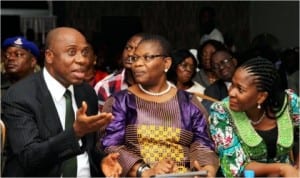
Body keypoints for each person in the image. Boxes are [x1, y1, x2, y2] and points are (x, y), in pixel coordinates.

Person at [1, 27, 122, 177]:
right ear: (50, 56)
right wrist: (76, 132)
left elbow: (87, 147)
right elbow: (29, 157)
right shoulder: (20, 95)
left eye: (84, 52)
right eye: (72, 52)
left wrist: (102, 160)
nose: (82, 60)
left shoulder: (86, 92)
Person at [100, 34, 219, 177]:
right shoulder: (121, 101)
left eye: (147, 57)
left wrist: (206, 170)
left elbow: (202, 143)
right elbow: (110, 145)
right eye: (135, 58)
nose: (137, 64)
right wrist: (145, 170)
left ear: (166, 63)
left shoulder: (188, 102)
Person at [208, 57, 299, 177]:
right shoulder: (221, 112)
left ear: (261, 96)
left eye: (240, 89)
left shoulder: (289, 102)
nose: (231, 93)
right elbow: (234, 167)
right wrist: (283, 169)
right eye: (232, 85)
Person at [94, 33, 146, 111]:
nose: (130, 53)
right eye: (128, 48)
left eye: (137, 49)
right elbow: (98, 121)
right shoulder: (105, 86)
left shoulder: (160, 87)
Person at [202, 48, 238, 112]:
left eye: (224, 62)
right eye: (216, 66)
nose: (221, 67)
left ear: (234, 62)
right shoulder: (211, 91)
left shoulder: (250, 79)